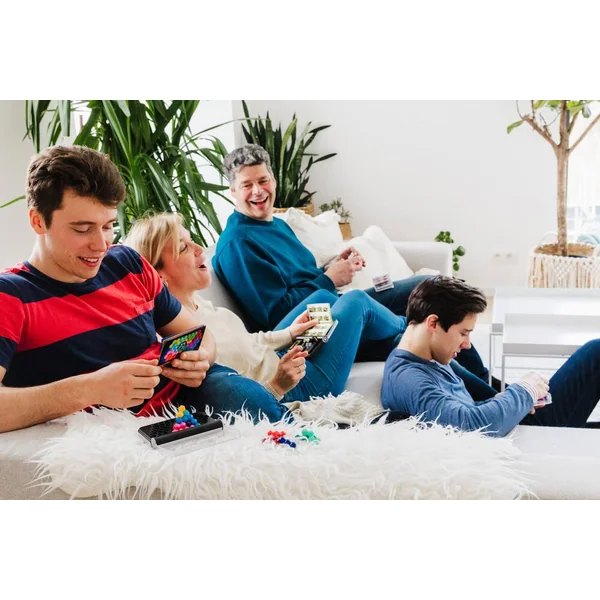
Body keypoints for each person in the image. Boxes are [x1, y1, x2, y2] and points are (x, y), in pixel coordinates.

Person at [0, 145, 273, 434]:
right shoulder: (10, 295)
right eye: (82, 229)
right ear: (38, 220)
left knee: (249, 403)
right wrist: (90, 389)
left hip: (188, 399)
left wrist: (201, 357)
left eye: (108, 226)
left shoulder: (127, 263)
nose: (101, 245)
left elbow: (199, 334)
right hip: (119, 433)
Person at [212, 143, 495, 385]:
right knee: (416, 333)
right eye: (247, 185)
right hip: (312, 333)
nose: (258, 191)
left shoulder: (276, 225)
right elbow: (278, 317)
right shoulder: (239, 243)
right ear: (232, 190)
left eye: (263, 181)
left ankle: (485, 379)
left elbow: (303, 280)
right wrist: (329, 280)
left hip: (333, 307)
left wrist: (334, 268)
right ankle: (487, 391)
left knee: (431, 287)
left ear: (273, 180)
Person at [125, 213, 410, 422]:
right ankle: (408, 330)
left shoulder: (199, 303)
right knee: (355, 301)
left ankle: (395, 336)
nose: (199, 249)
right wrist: (278, 384)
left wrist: (290, 332)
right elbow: (234, 394)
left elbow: (249, 342)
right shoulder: (183, 341)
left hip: (281, 357)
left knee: (322, 299)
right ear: (157, 276)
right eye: (184, 247)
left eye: (191, 240)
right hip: (297, 384)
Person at [381, 275, 600, 437]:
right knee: (595, 353)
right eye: (463, 333)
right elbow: (468, 425)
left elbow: (462, 408)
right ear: (433, 323)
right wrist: (525, 390)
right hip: (521, 434)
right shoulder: (410, 379)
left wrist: (506, 401)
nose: (467, 344)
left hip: (512, 422)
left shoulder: (425, 357)